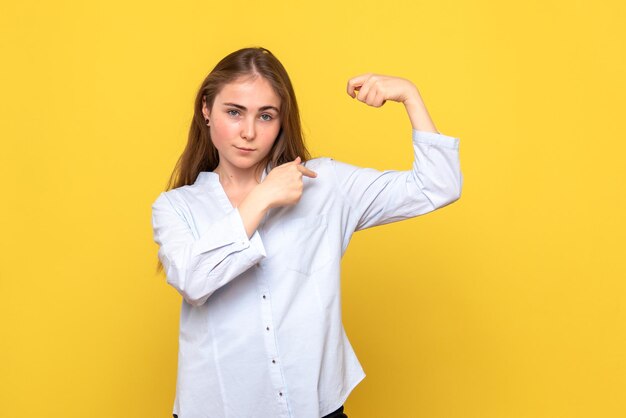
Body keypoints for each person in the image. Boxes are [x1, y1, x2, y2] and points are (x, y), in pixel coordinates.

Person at [151, 46, 462, 418]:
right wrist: (263, 197)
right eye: (234, 112)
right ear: (206, 109)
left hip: (316, 408)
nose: (248, 132)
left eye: (265, 116)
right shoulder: (175, 207)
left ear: (281, 122)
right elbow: (193, 280)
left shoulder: (325, 186)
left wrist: (410, 95)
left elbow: (438, 186)